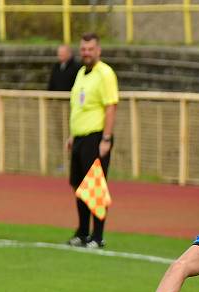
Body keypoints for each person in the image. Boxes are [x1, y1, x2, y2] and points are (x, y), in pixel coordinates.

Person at [66, 33, 118, 248]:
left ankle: (98, 236)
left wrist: (106, 138)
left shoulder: (105, 73)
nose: (86, 53)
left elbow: (110, 106)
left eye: (90, 49)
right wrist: (72, 135)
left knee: (95, 186)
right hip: (79, 137)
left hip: (95, 137)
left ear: (98, 50)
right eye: (83, 49)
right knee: (79, 185)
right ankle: (82, 232)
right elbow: (79, 106)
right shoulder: (80, 73)